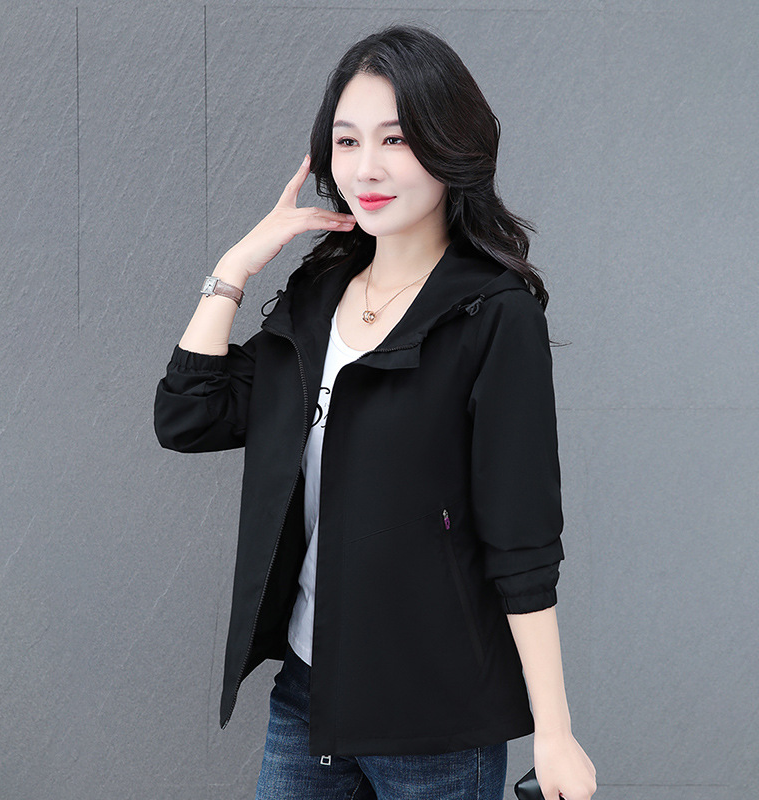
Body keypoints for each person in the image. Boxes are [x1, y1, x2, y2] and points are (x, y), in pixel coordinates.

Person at [154, 22, 596, 800]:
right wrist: (234, 268)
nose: (367, 167)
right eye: (347, 141)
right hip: (309, 694)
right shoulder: (319, 296)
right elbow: (189, 417)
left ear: (449, 144)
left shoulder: (495, 316)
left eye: (395, 138)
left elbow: (523, 541)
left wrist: (554, 733)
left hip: (435, 717)